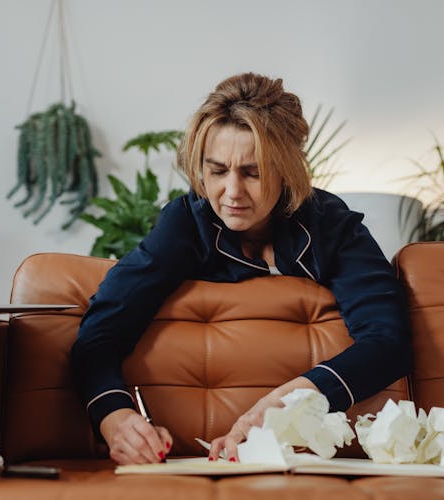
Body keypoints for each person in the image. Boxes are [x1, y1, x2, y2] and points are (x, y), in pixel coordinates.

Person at [71, 72, 412, 465]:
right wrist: (117, 420)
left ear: (286, 170)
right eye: (217, 171)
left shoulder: (332, 224)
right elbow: (99, 336)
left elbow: (388, 341)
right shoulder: (185, 224)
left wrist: (281, 404)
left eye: (253, 172)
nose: (232, 193)